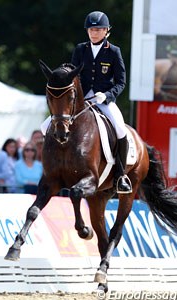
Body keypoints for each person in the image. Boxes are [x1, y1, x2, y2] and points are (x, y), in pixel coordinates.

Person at [41, 11, 131, 193]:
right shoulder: (81, 49)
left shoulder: (113, 52)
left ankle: (121, 175)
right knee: (45, 127)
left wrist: (107, 95)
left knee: (120, 129)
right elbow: (73, 75)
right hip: (80, 99)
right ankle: (54, 166)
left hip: (103, 99)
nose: (94, 33)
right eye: (91, 29)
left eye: (98, 29)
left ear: (106, 31)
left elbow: (121, 82)